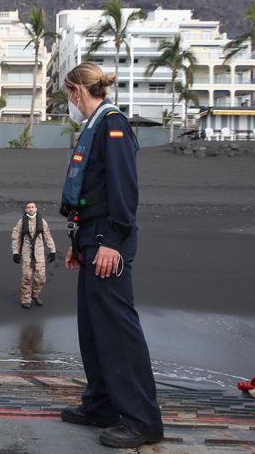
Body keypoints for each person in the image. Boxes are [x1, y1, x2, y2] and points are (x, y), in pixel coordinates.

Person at [58, 62, 163, 448]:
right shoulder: (96, 125)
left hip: (108, 239)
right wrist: (79, 241)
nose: (67, 100)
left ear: (76, 91)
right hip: (92, 237)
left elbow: (123, 190)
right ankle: (101, 402)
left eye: (67, 94)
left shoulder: (113, 126)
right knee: (93, 327)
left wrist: (111, 241)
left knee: (118, 330)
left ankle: (142, 419)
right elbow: (93, 191)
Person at [10, 201, 56, 309]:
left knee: (41, 278)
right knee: (27, 277)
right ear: (26, 210)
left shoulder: (42, 222)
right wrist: (15, 253)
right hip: (26, 254)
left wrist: (52, 250)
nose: (31, 209)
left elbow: (48, 236)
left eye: (32, 207)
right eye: (28, 207)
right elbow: (15, 238)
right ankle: (26, 299)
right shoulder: (21, 222)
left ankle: (35, 295)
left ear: (36, 209)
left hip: (39, 253)